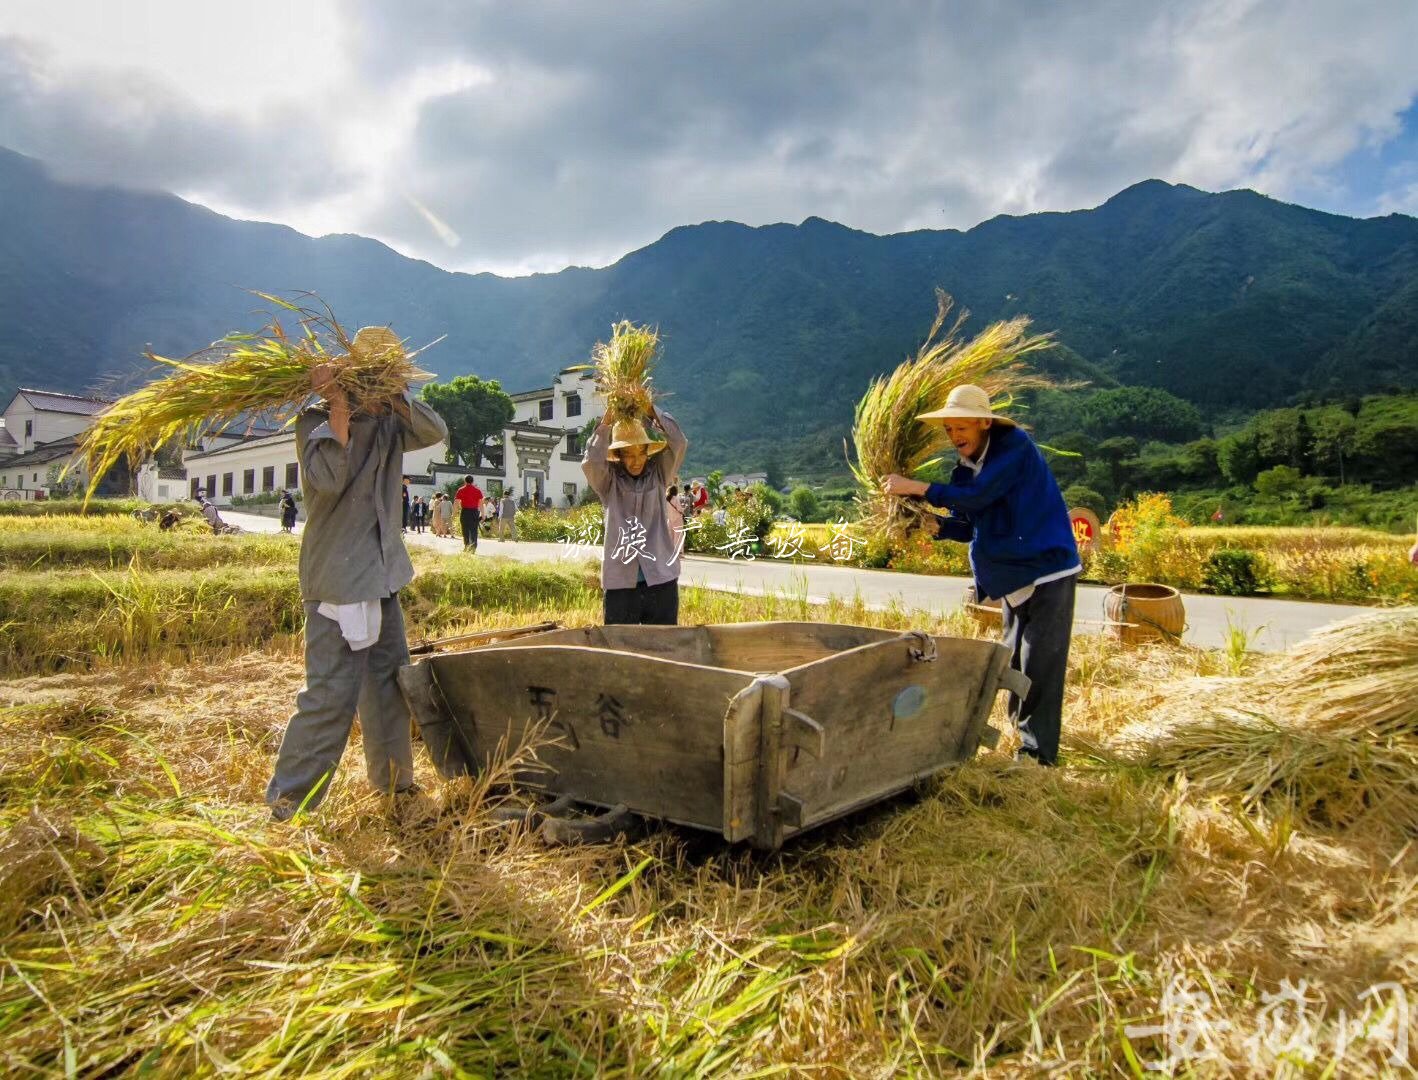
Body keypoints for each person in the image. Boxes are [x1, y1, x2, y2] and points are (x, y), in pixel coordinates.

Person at [266, 326, 449, 821]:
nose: (378, 383)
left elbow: (435, 431)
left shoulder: (394, 422)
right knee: (330, 694)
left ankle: (395, 787)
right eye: (372, 374)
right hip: (338, 580)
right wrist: (338, 403)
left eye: (385, 375)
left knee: (390, 685)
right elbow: (326, 480)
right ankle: (289, 805)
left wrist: (395, 394)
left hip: (383, 575)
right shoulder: (314, 421)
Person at [882, 384, 1079, 767]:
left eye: (962, 428)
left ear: (984, 423)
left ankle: (1039, 756)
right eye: (949, 430)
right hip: (1010, 577)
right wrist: (934, 525)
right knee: (1011, 662)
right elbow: (970, 522)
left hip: (1047, 569)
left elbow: (980, 496)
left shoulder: (1013, 447)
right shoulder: (963, 472)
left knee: (1040, 663)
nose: (955, 437)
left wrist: (917, 488)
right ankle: (1019, 738)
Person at [583, 408, 687, 625]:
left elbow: (678, 442)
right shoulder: (608, 482)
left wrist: (651, 410)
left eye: (641, 452)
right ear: (618, 456)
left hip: (661, 580)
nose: (636, 460)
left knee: (663, 648)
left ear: (648, 452)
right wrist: (606, 424)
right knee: (620, 652)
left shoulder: (659, 473)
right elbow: (592, 462)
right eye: (629, 453)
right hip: (621, 585)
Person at [454, 474, 484, 551]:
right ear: (472, 481)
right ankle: (473, 547)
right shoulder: (478, 490)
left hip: (465, 511)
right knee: (474, 530)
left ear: (465, 481)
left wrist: (454, 513)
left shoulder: (461, 490)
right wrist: (483, 514)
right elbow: (481, 504)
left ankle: (466, 545)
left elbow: (456, 502)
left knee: (465, 529)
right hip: (474, 512)